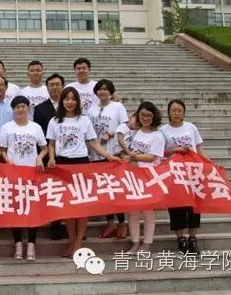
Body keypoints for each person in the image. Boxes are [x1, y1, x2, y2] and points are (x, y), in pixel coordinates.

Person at [46, 87, 120, 259]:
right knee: (68, 207)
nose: (70, 102)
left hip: (80, 164)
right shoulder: (55, 121)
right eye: (66, 99)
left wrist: (108, 156)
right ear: (62, 101)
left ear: (78, 102)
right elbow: (51, 143)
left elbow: (93, 142)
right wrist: (52, 158)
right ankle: (72, 241)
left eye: (73, 99)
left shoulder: (84, 120)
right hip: (62, 165)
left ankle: (78, 242)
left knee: (82, 206)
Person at [0, 96, 49, 261]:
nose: (20, 109)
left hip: (32, 173)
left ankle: (31, 245)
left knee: (32, 210)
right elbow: (2, 150)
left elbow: (44, 147)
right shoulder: (6, 127)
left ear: (28, 108)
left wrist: (40, 158)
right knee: (16, 209)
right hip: (14, 174)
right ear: (13, 110)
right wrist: (8, 160)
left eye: (23, 106)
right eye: (17, 107)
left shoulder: (35, 127)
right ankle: (18, 245)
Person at [161, 99, 207, 255]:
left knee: (194, 206)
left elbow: (199, 149)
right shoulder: (163, 130)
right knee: (176, 207)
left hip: (193, 173)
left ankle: (193, 238)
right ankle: (180, 238)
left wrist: (208, 164)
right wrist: (176, 149)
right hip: (174, 174)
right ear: (168, 112)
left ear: (184, 113)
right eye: (173, 110)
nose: (176, 113)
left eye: (179, 110)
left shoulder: (191, 127)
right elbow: (160, 152)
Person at [121, 101, 165, 255]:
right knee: (132, 211)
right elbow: (125, 147)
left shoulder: (158, 136)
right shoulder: (134, 133)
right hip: (132, 175)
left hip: (148, 177)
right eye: (142, 115)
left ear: (154, 116)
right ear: (137, 116)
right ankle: (135, 243)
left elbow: (152, 157)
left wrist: (133, 156)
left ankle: (146, 245)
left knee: (148, 211)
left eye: (149, 115)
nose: (145, 118)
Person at [87, 79, 129, 240]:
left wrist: (111, 133)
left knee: (116, 190)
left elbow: (125, 126)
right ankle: (110, 222)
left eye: (105, 89)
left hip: (113, 153)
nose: (102, 91)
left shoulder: (117, 107)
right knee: (103, 191)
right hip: (96, 154)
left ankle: (122, 223)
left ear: (111, 92)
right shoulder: (91, 109)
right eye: (99, 89)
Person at [33, 73, 66, 240]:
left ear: (63, 86)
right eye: (51, 85)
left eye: (57, 84)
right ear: (47, 88)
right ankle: (56, 225)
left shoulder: (71, 105)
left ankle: (73, 226)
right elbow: (39, 135)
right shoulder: (40, 108)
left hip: (69, 154)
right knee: (53, 191)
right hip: (49, 155)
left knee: (68, 191)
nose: (54, 87)